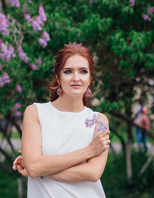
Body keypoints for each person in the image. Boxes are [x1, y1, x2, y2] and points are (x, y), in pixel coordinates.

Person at [13, 42, 110, 197]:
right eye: (68, 71)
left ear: (90, 78)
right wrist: (88, 151)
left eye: (83, 71)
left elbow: (93, 173)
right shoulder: (35, 112)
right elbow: (34, 167)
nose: (76, 78)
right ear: (58, 77)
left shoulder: (99, 121)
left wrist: (39, 169)